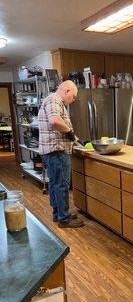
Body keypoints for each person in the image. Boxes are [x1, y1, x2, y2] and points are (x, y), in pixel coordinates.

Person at [38, 80, 84, 228]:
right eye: (74, 96)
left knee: (55, 183)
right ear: (67, 91)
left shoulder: (52, 100)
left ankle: (58, 213)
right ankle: (64, 219)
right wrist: (70, 132)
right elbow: (55, 121)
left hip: (52, 151)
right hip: (57, 151)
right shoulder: (54, 99)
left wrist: (77, 139)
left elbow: (58, 126)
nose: (74, 100)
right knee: (61, 185)